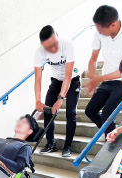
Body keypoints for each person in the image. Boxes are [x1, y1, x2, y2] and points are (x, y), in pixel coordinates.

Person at [85, 5, 122, 138]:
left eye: (101, 30)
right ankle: (112, 134)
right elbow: (93, 59)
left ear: (113, 25)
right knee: (90, 110)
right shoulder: (99, 32)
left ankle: (111, 141)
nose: (100, 33)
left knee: (107, 113)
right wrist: (93, 78)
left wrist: (99, 78)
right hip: (108, 81)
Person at [34, 25, 81, 157]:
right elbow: (38, 78)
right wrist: (37, 100)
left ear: (57, 36)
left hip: (72, 79)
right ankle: (51, 144)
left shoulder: (67, 45)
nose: (53, 49)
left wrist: (60, 98)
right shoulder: (39, 52)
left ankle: (67, 146)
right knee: (48, 110)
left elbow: (68, 76)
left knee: (70, 113)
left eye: (54, 44)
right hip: (56, 80)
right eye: (49, 47)